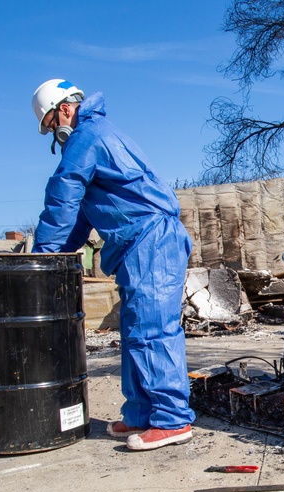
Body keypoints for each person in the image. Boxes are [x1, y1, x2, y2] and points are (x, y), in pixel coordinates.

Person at [30, 79, 196, 451]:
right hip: (139, 242)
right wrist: (55, 254)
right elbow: (79, 217)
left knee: (153, 329)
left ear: (64, 109)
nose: (53, 134)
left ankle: (171, 420)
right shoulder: (94, 136)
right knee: (136, 328)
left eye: (50, 124)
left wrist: (42, 254)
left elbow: (62, 195)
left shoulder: (86, 137)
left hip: (150, 238)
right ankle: (141, 414)